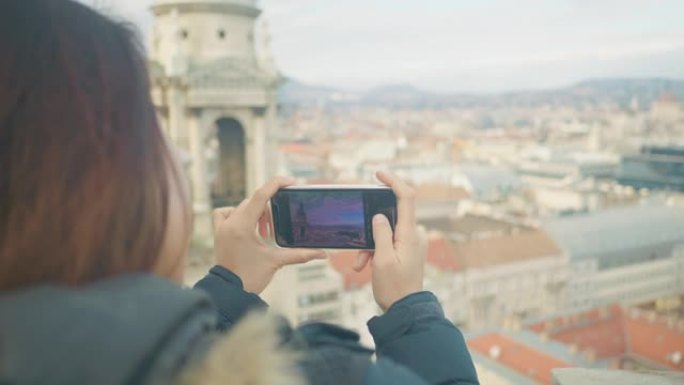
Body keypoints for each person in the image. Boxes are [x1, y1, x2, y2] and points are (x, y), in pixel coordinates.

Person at [0, 1, 480, 385]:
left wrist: (227, 288)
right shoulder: (308, 374)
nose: (183, 159)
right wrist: (409, 311)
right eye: (152, 130)